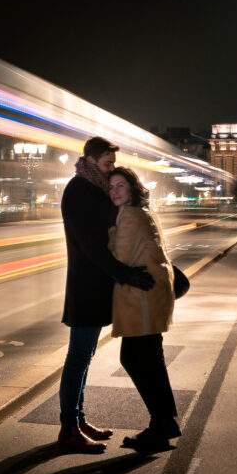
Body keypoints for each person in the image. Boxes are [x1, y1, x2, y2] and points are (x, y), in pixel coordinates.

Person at [59, 137, 156, 453]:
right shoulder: (78, 191)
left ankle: (79, 419)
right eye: (107, 164)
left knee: (84, 357)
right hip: (87, 288)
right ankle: (68, 429)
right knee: (77, 358)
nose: (111, 169)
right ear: (89, 160)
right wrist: (125, 274)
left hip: (97, 287)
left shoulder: (92, 188)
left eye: (113, 164)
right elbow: (92, 247)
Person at [107, 166, 182, 452]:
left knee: (136, 359)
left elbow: (120, 257)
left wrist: (109, 230)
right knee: (151, 360)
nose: (115, 192)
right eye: (111, 187)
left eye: (120, 186)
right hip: (153, 296)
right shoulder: (144, 211)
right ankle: (164, 423)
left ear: (132, 188)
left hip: (142, 299)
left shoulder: (128, 216)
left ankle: (161, 424)